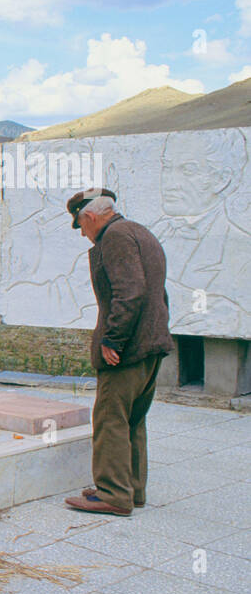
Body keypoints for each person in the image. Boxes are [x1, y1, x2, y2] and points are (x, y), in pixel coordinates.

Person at [64, 190, 175, 517]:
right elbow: (158, 292)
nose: (83, 234)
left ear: (90, 217)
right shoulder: (141, 232)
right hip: (150, 344)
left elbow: (130, 291)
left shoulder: (115, 238)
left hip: (127, 349)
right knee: (133, 419)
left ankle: (112, 494)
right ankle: (131, 490)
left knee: (111, 418)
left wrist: (112, 340)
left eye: (81, 226)